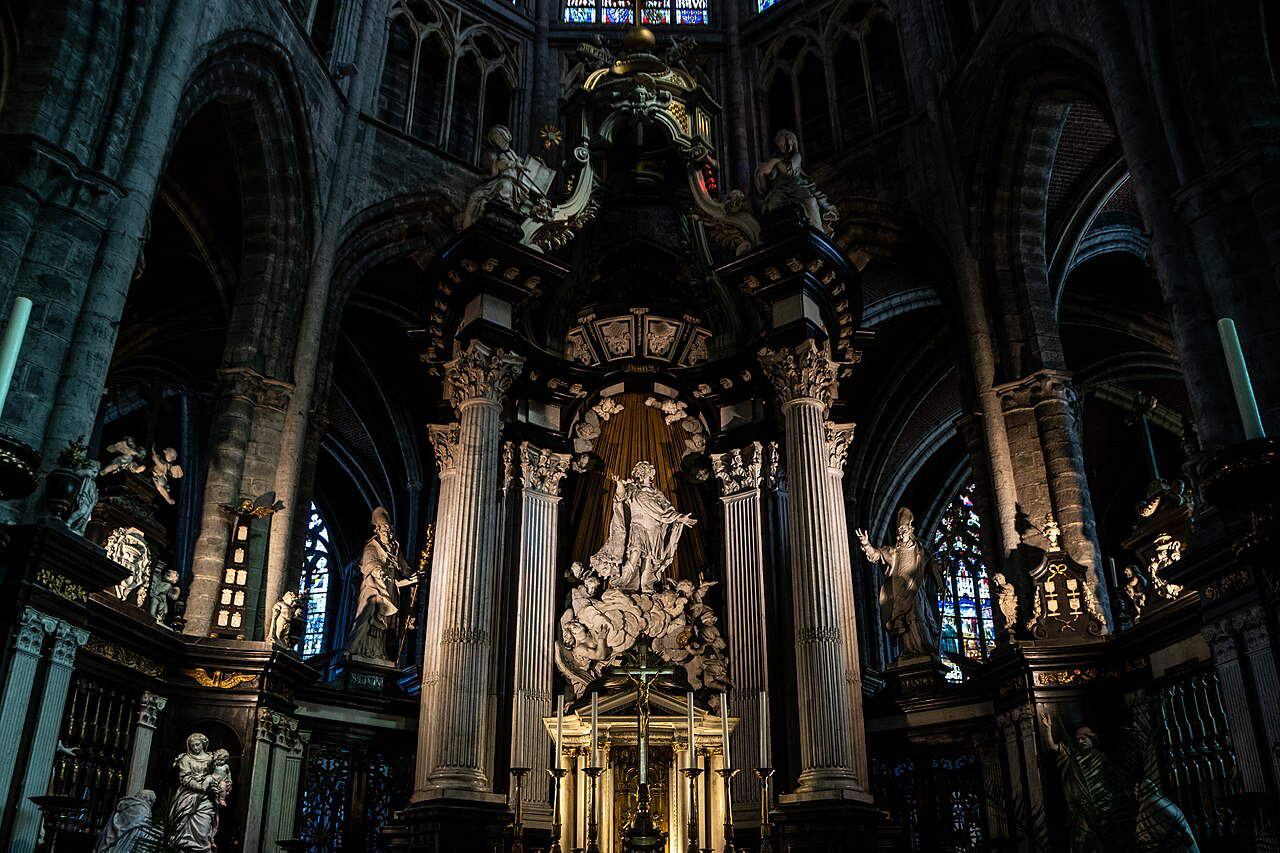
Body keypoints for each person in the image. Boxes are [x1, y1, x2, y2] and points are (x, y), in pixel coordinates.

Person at [590, 461, 696, 591]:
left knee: (649, 561)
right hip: (637, 527)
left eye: (651, 475)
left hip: (654, 530)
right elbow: (620, 497)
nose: (650, 477)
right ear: (641, 475)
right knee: (635, 553)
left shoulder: (657, 493)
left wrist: (680, 518)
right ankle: (624, 583)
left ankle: (647, 588)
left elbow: (667, 510)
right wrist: (619, 484)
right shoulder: (633, 491)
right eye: (648, 474)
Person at [347, 507, 418, 662]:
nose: (388, 533)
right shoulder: (372, 546)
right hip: (374, 588)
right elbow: (369, 564)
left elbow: (404, 568)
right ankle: (352, 649)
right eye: (385, 531)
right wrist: (379, 571)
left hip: (390, 589)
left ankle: (376, 653)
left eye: (389, 530)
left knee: (385, 623)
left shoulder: (395, 547)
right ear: (377, 530)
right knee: (367, 615)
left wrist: (413, 576)